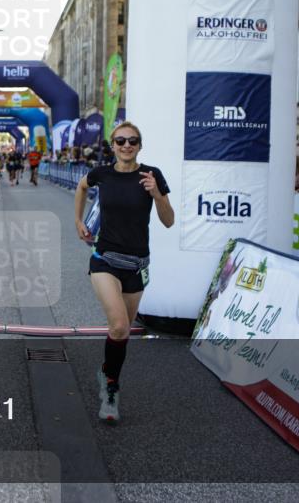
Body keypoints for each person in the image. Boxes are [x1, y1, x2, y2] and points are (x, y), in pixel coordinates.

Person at [73, 122, 174, 424]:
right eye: (121, 141)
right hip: (104, 259)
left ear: (140, 145)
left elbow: (168, 221)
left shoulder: (151, 175)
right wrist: (78, 220)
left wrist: (157, 194)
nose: (127, 145)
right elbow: (81, 186)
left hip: (137, 265)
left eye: (133, 141)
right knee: (118, 326)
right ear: (112, 145)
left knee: (123, 332)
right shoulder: (102, 174)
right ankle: (112, 390)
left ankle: (107, 372)